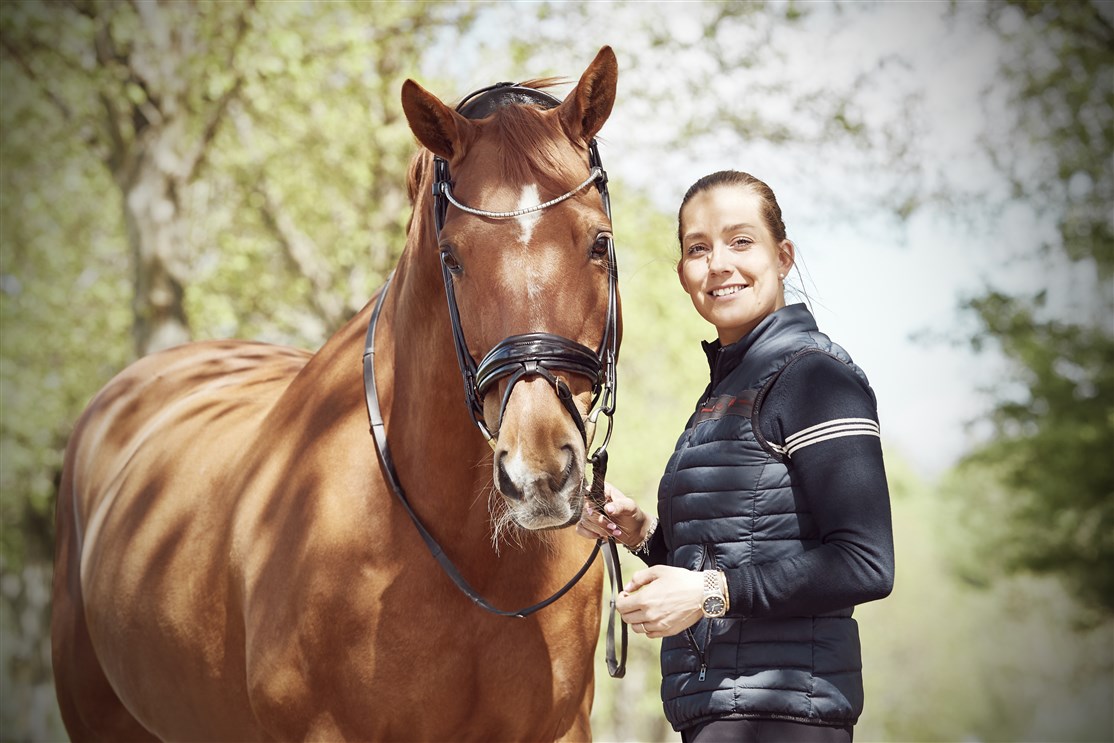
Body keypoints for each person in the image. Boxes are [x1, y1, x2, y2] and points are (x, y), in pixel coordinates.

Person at [578, 170, 894, 742]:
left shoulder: (815, 376)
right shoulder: (727, 390)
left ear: (784, 255)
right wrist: (642, 534)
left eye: (741, 241)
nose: (718, 263)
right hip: (717, 712)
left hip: (785, 717)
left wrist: (709, 593)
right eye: (698, 248)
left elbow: (866, 562)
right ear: (682, 274)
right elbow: (745, 548)